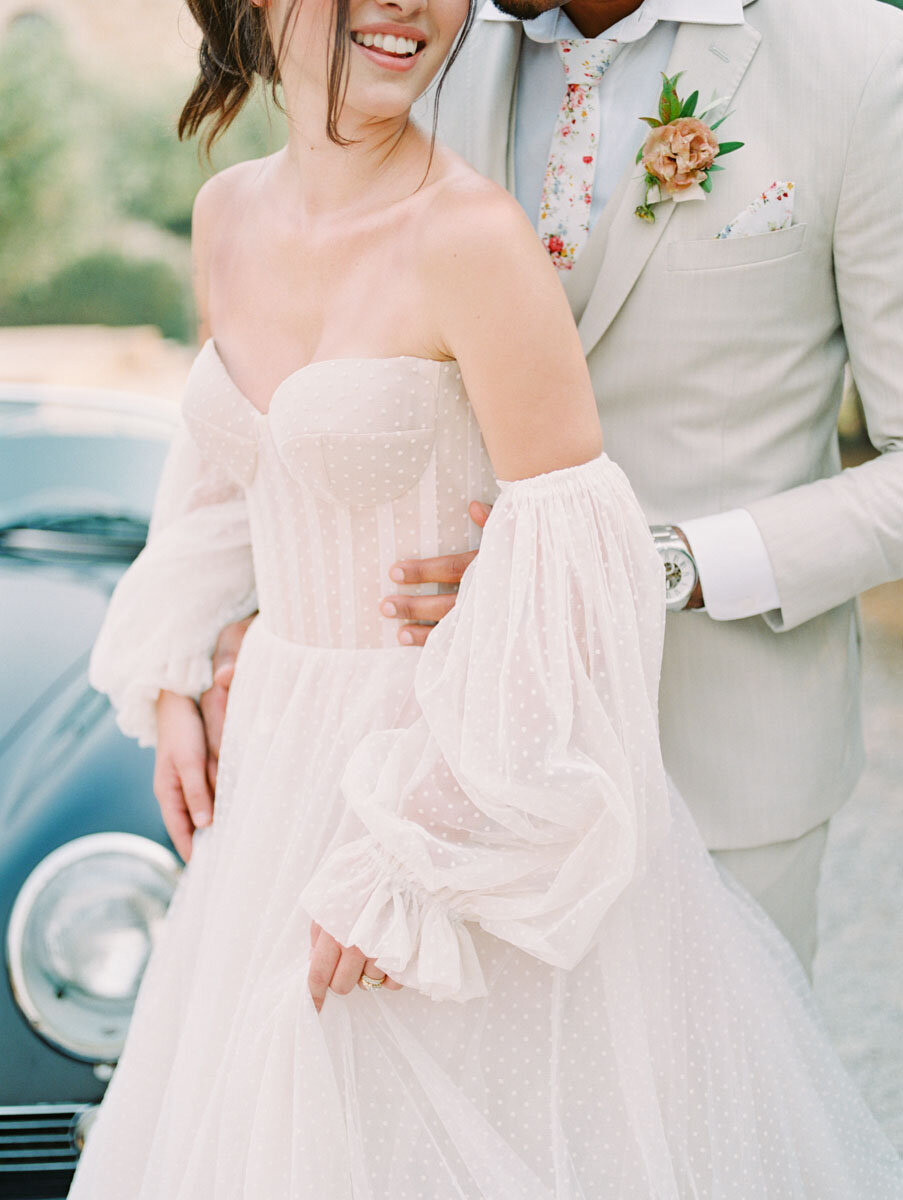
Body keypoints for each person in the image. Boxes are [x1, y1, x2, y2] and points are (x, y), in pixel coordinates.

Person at [69, 0, 903, 1194]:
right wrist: (185, 657)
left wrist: (662, 562)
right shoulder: (425, 66)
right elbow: (256, 437)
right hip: (353, 758)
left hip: (697, 748)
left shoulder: (855, 62)